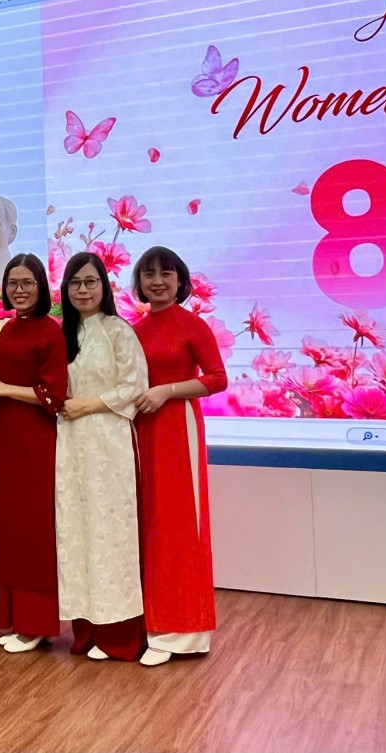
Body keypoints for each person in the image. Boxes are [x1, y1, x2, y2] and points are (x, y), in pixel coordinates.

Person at [130, 247, 229, 666]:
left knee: (179, 524)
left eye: (166, 274)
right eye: (149, 274)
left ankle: (183, 632)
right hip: (141, 430)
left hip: (178, 429)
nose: (157, 281)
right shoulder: (134, 330)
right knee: (148, 524)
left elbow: (218, 379)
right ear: (139, 282)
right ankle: (152, 625)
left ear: (180, 280)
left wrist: (166, 391)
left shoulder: (192, 325)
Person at [54, 251, 149, 662]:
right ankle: (85, 630)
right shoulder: (63, 334)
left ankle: (119, 636)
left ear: (104, 286)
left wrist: (88, 405)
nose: (82, 290)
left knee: (112, 532)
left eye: (90, 281)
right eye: (75, 283)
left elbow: (134, 386)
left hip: (108, 441)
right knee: (76, 531)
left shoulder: (117, 331)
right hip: (71, 444)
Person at [0, 253, 68, 654]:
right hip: (6, 438)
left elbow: (54, 394)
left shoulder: (51, 332)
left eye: (27, 282)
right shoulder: (8, 328)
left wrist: (4, 390)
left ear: (41, 286)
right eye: (13, 282)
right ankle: (16, 619)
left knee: (34, 529)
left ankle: (37, 623)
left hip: (36, 439)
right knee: (10, 527)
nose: (19, 289)